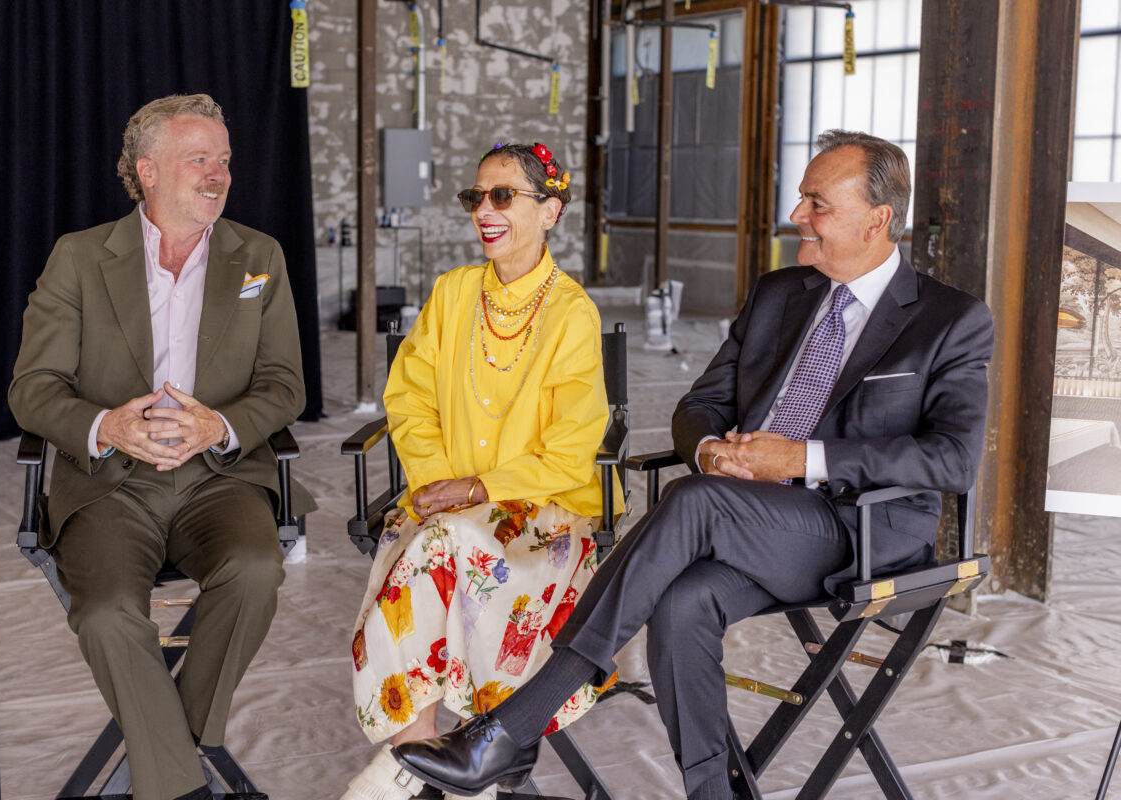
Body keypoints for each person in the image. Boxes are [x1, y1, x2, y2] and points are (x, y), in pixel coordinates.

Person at [390, 130, 996, 800]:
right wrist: (713, 451)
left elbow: (954, 458)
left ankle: (513, 728)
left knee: (693, 502)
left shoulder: (949, 320)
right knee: (679, 602)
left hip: (860, 530)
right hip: (751, 519)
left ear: (877, 220)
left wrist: (799, 458)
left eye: (816, 203)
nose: (797, 215)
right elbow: (698, 406)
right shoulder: (778, 293)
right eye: (801, 199)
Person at [9, 93, 315, 800]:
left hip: (223, 479)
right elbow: (33, 387)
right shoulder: (81, 257)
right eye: (198, 159)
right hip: (113, 484)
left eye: (225, 160)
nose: (218, 175)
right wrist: (106, 426)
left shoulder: (257, 256)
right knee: (106, 612)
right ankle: (185, 782)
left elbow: (283, 383)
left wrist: (221, 426)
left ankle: (166, 761)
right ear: (147, 171)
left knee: (254, 570)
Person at [340, 142, 625, 800]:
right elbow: (407, 398)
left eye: (503, 196)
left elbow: (572, 447)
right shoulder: (453, 294)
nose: (484, 211)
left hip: (545, 510)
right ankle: (432, 749)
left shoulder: (571, 312)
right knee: (438, 540)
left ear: (550, 211)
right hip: (447, 502)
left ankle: (415, 758)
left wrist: (477, 490)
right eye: (476, 198)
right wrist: (442, 482)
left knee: (444, 546)